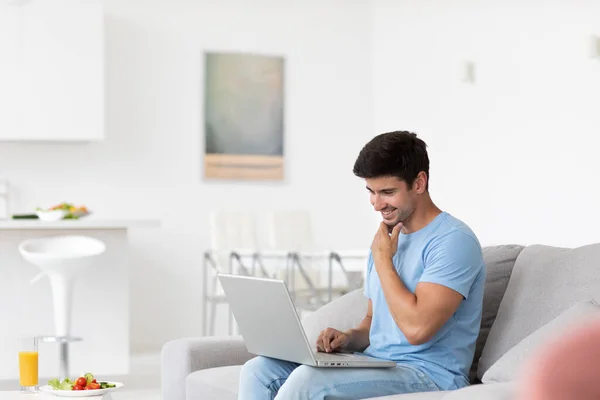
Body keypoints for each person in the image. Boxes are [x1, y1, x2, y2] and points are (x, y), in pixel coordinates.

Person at [238, 131, 486, 399]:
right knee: (258, 371)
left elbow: (417, 330)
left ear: (419, 183)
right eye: (371, 192)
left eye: (387, 192)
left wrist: (383, 261)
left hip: (430, 374)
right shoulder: (387, 239)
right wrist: (347, 338)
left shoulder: (453, 241)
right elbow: (372, 323)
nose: (377, 204)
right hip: (379, 364)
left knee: (308, 382)